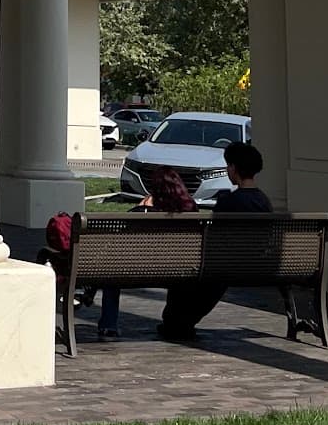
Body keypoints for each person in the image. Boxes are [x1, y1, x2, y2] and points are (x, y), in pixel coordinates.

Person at [159, 140, 272, 342]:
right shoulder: (264, 201)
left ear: (233, 168)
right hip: (257, 265)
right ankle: (180, 323)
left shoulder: (229, 201)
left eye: (228, 165)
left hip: (226, 265)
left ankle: (176, 323)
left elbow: (213, 236)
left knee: (187, 276)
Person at [95, 166, 196, 340]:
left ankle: (108, 325)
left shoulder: (143, 211)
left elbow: (121, 239)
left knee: (111, 277)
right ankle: (178, 324)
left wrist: (141, 208)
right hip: (180, 271)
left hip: (137, 271)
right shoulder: (190, 210)